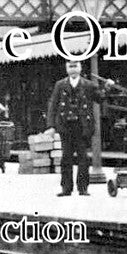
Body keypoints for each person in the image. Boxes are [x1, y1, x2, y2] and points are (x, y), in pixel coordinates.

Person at [44, 60, 112, 197]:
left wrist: (107, 88)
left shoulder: (88, 85)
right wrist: (51, 126)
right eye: (70, 66)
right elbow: (53, 105)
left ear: (80, 68)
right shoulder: (60, 85)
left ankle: (83, 188)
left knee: (83, 158)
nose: (73, 69)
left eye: (76, 66)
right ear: (66, 68)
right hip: (65, 126)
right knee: (66, 158)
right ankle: (66, 188)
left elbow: (100, 98)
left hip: (82, 126)